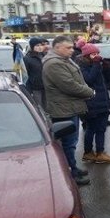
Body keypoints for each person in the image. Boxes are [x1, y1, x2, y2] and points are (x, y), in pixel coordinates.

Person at [42, 36, 94, 185]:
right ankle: (70, 174)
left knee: (71, 142)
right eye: (68, 48)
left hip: (69, 107)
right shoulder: (54, 64)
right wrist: (90, 92)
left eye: (72, 47)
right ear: (57, 48)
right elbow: (69, 85)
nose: (72, 50)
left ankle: (72, 167)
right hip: (63, 109)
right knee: (68, 143)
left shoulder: (63, 60)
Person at [77, 43, 110, 164]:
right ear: (86, 56)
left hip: (102, 101)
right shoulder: (82, 67)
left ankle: (99, 152)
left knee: (101, 129)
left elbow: (107, 82)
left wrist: (106, 67)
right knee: (92, 128)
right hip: (92, 103)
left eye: (97, 54)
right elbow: (89, 79)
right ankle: (90, 152)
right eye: (93, 54)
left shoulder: (96, 65)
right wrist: (96, 65)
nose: (96, 56)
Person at [24, 37, 49, 106]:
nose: (40, 47)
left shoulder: (44, 56)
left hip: (46, 87)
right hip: (35, 88)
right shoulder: (27, 58)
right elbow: (26, 75)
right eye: (37, 45)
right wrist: (29, 89)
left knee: (47, 106)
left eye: (41, 45)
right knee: (38, 106)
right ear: (32, 46)